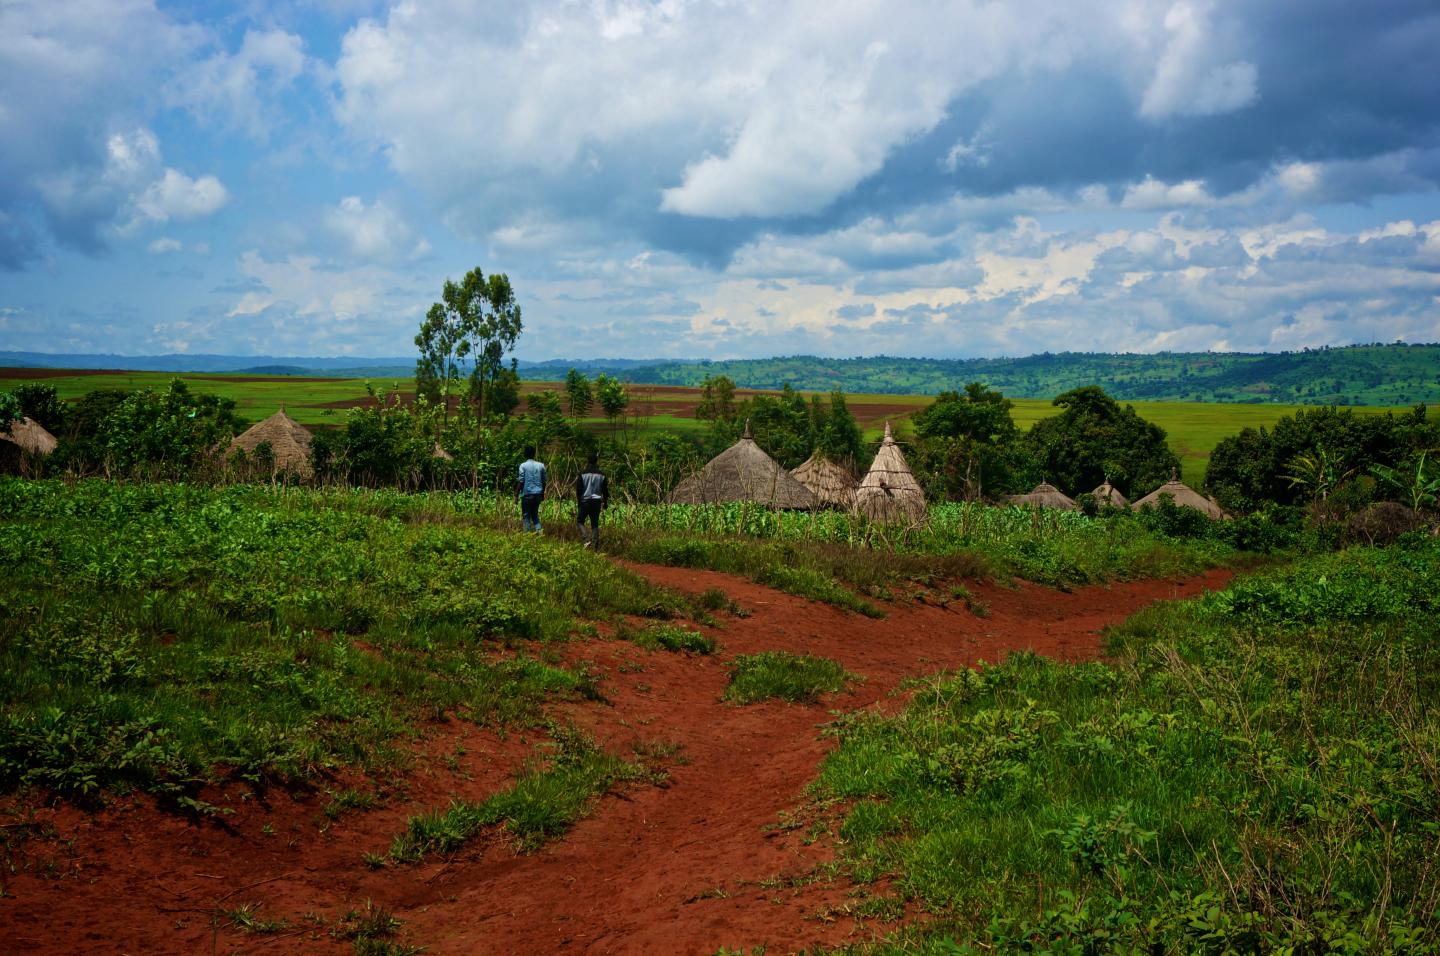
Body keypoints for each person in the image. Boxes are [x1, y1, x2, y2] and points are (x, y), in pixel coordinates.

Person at [574, 452, 609, 549]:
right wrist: (605, 502)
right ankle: (595, 546)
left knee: (580, 521)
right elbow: (605, 491)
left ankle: (586, 540)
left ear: (588, 461)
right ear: (596, 461)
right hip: (597, 502)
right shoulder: (602, 475)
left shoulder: (582, 474)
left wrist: (579, 502)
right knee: (594, 524)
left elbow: (579, 490)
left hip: (584, 501)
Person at [517, 445, 547, 533]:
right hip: (538, 494)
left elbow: (521, 481)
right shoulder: (541, 465)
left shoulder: (523, 465)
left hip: (527, 494)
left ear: (525, 454)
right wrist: (542, 494)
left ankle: (527, 536)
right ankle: (540, 533)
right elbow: (544, 481)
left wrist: (516, 494)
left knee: (526, 515)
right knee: (535, 515)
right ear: (534, 454)